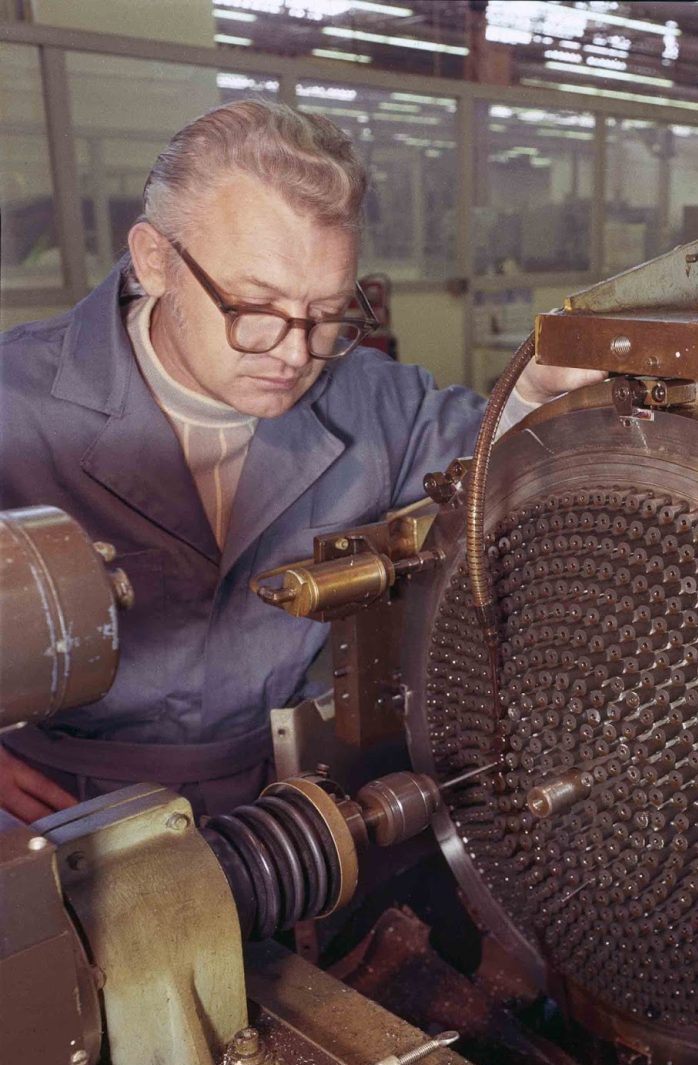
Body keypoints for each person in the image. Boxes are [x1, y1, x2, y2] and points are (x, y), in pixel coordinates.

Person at [0, 100, 597, 823]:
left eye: (326, 313)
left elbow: (497, 456)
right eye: (255, 306)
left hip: (272, 793)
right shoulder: (17, 403)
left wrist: (530, 391)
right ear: (155, 260)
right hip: (55, 801)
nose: (292, 354)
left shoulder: (372, 402)